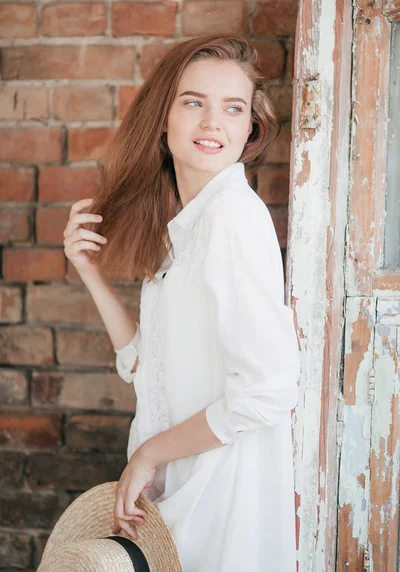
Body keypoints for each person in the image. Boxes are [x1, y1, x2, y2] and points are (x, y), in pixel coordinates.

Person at [63, 35, 301, 572]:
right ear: (163, 119)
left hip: (220, 509)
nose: (213, 122)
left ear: (249, 129)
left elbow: (268, 388)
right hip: (177, 506)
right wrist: (91, 274)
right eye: (194, 102)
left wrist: (150, 454)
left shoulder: (232, 220)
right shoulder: (188, 227)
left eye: (232, 108)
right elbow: (151, 368)